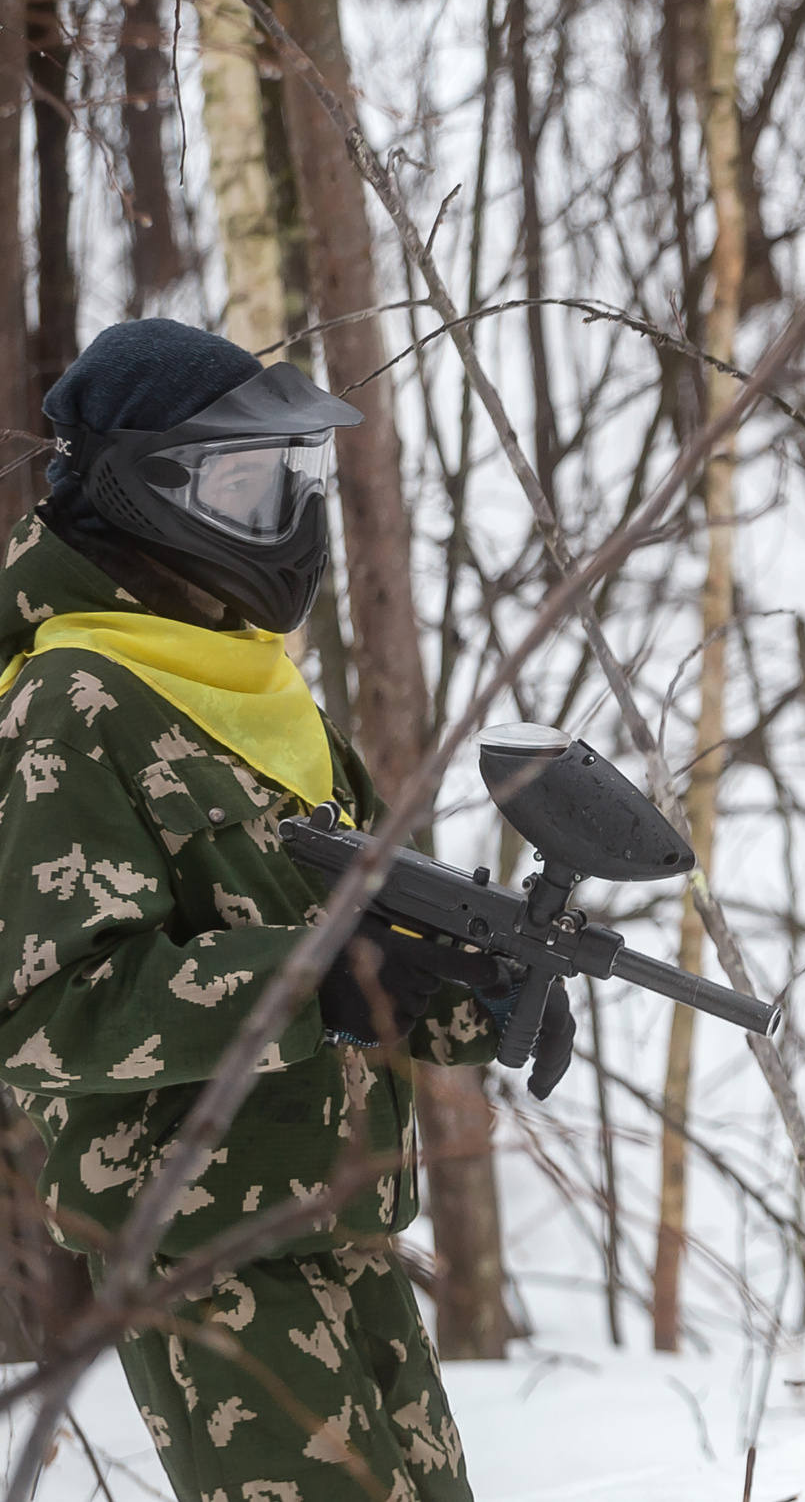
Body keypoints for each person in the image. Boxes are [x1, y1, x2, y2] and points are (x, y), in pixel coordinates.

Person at [0, 320, 570, 1502]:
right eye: (251, 488)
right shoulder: (72, 700)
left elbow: (365, 928)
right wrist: (314, 973)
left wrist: (475, 990)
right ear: (144, 494)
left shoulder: (253, 687)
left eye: (295, 483)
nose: (290, 523)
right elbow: (51, 1013)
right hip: (202, 1246)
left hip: (334, 1210)